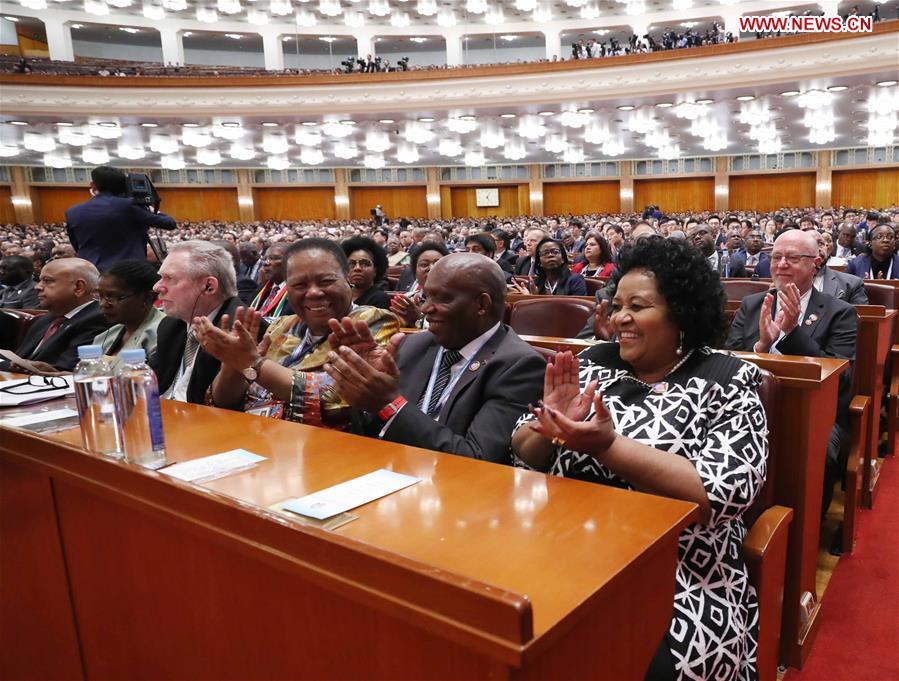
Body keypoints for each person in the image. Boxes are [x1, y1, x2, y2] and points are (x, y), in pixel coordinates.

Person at [511, 236, 766, 681]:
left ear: (681, 314)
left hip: (682, 571)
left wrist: (608, 447)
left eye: (639, 306)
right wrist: (547, 425)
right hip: (561, 548)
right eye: (617, 303)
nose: (620, 316)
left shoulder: (729, 379)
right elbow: (521, 451)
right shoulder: (593, 362)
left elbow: (722, 494)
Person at [324, 253, 545, 462]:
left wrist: (390, 403)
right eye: (426, 296)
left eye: (442, 299)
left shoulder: (519, 366)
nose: (426, 309)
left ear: (482, 305)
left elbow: (477, 459)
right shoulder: (413, 345)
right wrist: (364, 392)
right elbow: (373, 433)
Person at [195, 239, 398, 429]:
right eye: (299, 285)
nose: (313, 292)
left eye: (326, 281)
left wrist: (252, 364)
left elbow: (335, 398)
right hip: (254, 441)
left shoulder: (372, 320)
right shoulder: (280, 326)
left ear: (347, 279)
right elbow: (219, 403)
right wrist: (232, 365)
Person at [726, 229, 856, 518]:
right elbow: (728, 359)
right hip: (747, 406)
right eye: (776, 257)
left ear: (816, 263)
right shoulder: (753, 304)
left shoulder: (839, 311)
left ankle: (806, 530)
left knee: (817, 455)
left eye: (793, 258)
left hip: (812, 412)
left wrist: (792, 333)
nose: (781, 264)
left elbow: (841, 377)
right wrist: (761, 345)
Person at [151, 241, 263, 404]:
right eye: (160, 277)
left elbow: (224, 406)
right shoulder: (170, 326)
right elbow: (153, 386)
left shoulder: (242, 330)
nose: (157, 287)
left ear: (209, 287)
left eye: (169, 278)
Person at [0, 258, 109, 373]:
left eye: (47, 281)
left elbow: (65, 369)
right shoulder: (47, 319)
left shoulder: (98, 319)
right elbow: (18, 360)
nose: (37, 287)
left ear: (78, 287)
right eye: (40, 280)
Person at [64, 166, 176, 272]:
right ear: (125, 185)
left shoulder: (73, 212)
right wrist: (151, 210)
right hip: (128, 273)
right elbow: (169, 223)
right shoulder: (128, 206)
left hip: (91, 272)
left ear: (93, 185)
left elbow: (76, 245)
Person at [92, 260, 165, 372]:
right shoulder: (104, 337)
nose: (103, 304)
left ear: (147, 297)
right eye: (100, 296)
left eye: (112, 297)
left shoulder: (162, 333)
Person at [390, 241, 448, 328]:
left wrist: (418, 319)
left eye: (437, 263)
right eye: (424, 265)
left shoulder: (455, 301)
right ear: (415, 273)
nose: (431, 268)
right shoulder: (406, 300)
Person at [809, 231, 868, 304]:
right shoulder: (791, 281)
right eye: (809, 244)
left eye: (820, 243)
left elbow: (858, 314)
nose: (818, 248)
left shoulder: (852, 285)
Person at [341, 236, 391, 309]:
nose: (357, 268)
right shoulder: (341, 295)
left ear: (375, 270)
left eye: (364, 263)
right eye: (352, 263)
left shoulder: (381, 299)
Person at [248, 242, 293, 317]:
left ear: (291, 262)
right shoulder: (262, 288)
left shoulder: (295, 294)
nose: (266, 263)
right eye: (266, 258)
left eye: (274, 258)